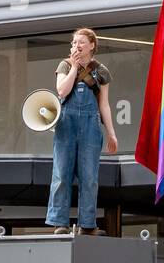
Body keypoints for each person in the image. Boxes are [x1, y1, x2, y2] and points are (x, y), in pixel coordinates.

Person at [45, 27, 118, 235]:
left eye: (81, 42)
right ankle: (59, 222)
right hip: (66, 123)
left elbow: (104, 104)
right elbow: (61, 91)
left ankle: (88, 224)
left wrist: (111, 133)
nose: (76, 45)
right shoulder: (65, 65)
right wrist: (74, 67)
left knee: (89, 176)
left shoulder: (101, 71)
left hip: (91, 125)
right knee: (61, 173)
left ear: (92, 45)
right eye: (74, 42)